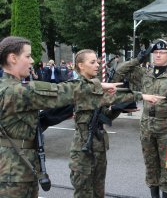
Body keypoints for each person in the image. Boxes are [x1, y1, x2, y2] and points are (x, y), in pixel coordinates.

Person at [0, 36, 130, 198]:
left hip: (17, 167)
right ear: (13, 58)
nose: (32, 60)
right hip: (14, 173)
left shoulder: (7, 87)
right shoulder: (17, 91)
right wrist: (97, 85)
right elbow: (62, 91)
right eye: (27, 56)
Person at [69, 49, 163, 198]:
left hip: (98, 146)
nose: (97, 65)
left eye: (97, 61)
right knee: (84, 193)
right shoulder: (77, 86)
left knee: (99, 192)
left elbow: (105, 115)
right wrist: (140, 95)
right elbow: (104, 98)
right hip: (83, 150)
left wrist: (118, 110)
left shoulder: (95, 84)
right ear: (80, 65)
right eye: (92, 62)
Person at [112, 40, 167, 198]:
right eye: (155, 53)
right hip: (147, 126)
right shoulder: (145, 74)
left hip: (166, 127)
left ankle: (166, 195)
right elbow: (119, 72)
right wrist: (139, 58)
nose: (158, 55)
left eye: (162, 53)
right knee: (150, 164)